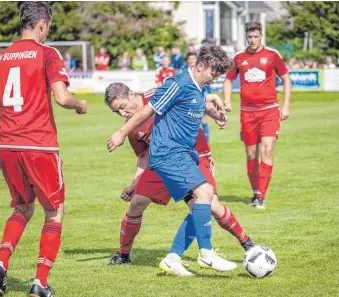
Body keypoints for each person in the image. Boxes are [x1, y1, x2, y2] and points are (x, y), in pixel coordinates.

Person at [107, 44, 234, 274]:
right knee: (204, 195)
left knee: (201, 201)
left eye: (218, 76)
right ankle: (206, 254)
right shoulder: (178, 83)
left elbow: (194, 104)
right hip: (169, 154)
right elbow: (147, 112)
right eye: (213, 74)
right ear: (201, 65)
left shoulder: (197, 87)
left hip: (183, 154)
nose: (214, 79)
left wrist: (215, 112)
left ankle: (174, 259)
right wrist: (122, 132)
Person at [0, 2, 88, 296]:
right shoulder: (47, 53)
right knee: (54, 211)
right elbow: (61, 97)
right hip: (39, 145)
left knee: (23, 206)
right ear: (43, 24)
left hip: (7, 144)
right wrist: (79, 104)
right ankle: (39, 284)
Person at [223, 21, 292, 209]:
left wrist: (285, 106)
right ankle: (255, 193)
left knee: (267, 150)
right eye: (250, 37)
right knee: (251, 154)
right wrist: (227, 101)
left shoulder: (272, 55)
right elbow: (228, 80)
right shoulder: (238, 57)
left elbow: (286, 79)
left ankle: (261, 196)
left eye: (256, 36)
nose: (253, 40)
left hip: (269, 110)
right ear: (246, 36)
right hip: (247, 113)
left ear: (261, 35)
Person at [186, 52, 210, 142]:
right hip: (188, 102)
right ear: (187, 60)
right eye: (190, 59)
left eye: (193, 59)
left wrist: (210, 97)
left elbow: (207, 87)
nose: (192, 60)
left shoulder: (201, 73)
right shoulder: (183, 72)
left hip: (199, 100)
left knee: (203, 120)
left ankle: (206, 142)